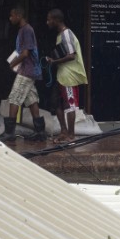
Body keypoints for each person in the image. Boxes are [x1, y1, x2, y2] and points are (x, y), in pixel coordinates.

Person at [2, 7, 47, 141]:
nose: (10, 19)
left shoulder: (26, 30)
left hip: (27, 70)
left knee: (14, 97)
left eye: (12, 16)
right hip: (29, 71)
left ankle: (9, 134)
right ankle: (40, 132)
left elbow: (25, 53)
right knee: (31, 99)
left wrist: (13, 63)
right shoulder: (23, 30)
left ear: (18, 16)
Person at [44, 9, 89, 143]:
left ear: (56, 20)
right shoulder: (60, 35)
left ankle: (70, 135)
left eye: (49, 19)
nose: (47, 22)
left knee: (70, 105)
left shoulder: (66, 34)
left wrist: (54, 61)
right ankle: (64, 131)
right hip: (61, 75)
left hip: (68, 76)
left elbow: (71, 55)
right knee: (56, 103)